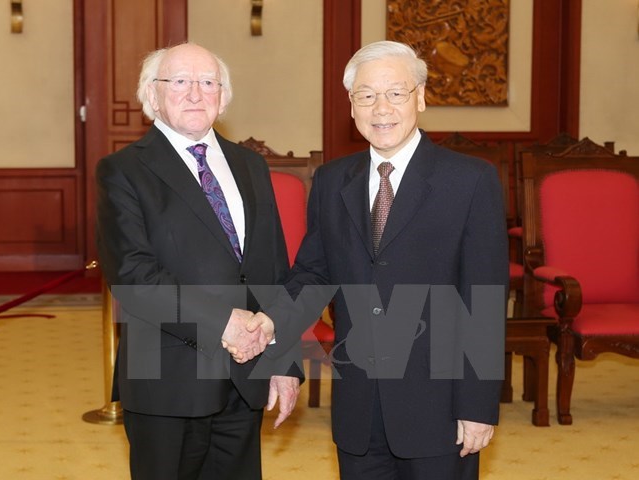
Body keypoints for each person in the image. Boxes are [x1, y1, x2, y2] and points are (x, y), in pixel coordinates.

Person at [241, 40, 509, 480]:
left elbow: (485, 299)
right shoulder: (331, 181)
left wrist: (478, 406)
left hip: (438, 407)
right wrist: (272, 322)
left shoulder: (470, 180)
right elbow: (313, 272)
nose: (380, 108)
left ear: (420, 98)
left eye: (395, 93)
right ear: (351, 106)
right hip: (359, 407)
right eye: (366, 95)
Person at [95, 42, 300, 480]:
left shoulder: (251, 166)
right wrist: (223, 323)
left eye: (208, 82)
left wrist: (283, 361)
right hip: (168, 383)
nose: (195, 93)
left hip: (245, 378)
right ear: (152, 95)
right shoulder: (122, 170)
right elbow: (134, 276)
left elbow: (273, 272)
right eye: (180, 82)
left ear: (223, 97)